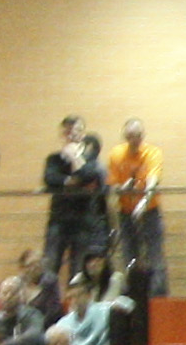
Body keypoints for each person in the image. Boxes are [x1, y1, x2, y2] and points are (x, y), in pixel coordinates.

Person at [42, 116, 109, 284]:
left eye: (76, 130)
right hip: (58, 220)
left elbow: (89, 175)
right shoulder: (54, 159)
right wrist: (71, 180)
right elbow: (50, 178)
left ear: (83, 133)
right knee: (50, 265)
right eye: (68, 131)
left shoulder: (92, 160)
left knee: (78, 271)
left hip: (83, 221)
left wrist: (74, 158)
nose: (72, 134)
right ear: (63, 134)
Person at [106, 119, 166, 295]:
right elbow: (112, 184)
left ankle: (158, 298)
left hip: (150, 211)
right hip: (125, 212)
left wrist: (145, 201)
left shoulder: (152, 152)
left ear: (143, 135)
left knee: (155, 256)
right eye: (131, 136)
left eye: (138, 136)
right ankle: (133, 295)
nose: (135, 140)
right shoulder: (116, 154)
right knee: (129, 255)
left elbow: (153, 179)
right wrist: (122, 188)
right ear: (125, 137)